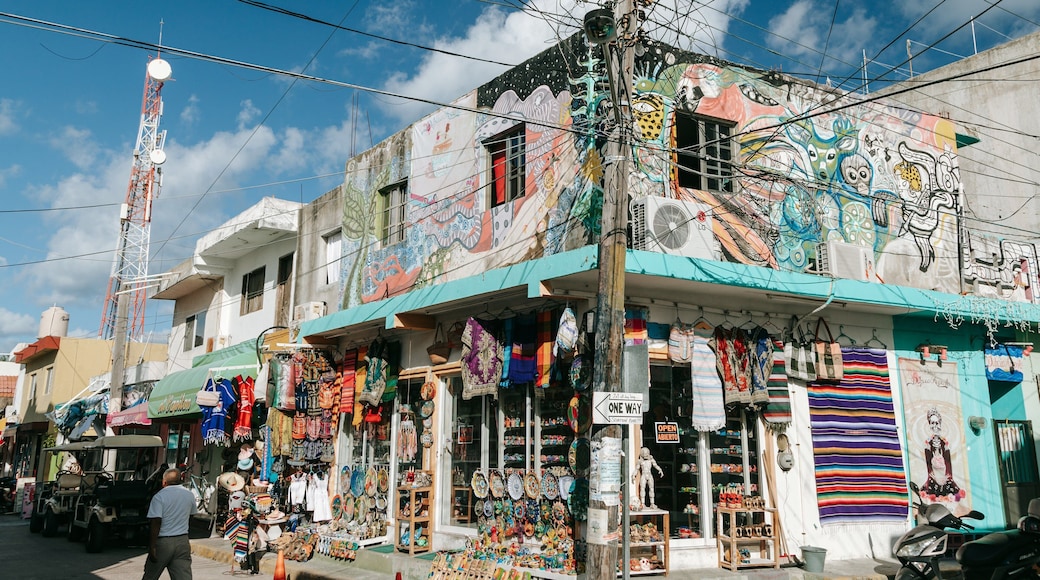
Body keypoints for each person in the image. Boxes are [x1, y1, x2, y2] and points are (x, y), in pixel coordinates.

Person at [143, 467, 197, 580]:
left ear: (164, 482)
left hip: (163, 541)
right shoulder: (189, 495)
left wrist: (152, 546)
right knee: (183, 576)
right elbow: (191, 516)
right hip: (182, 540)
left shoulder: (159, 497)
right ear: (180, 480)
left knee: (151, 575)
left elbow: (156, 522)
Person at [922, 407, 965, 503]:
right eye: (932, 423)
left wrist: (948, 476)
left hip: (944, 474)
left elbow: (948, 461)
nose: (935, 426)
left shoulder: (944, 442)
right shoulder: (927, 442)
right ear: (929, 424)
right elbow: (928, 461)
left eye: (937, 423)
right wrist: (931, 475)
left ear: (940, 424)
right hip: (934, 475)